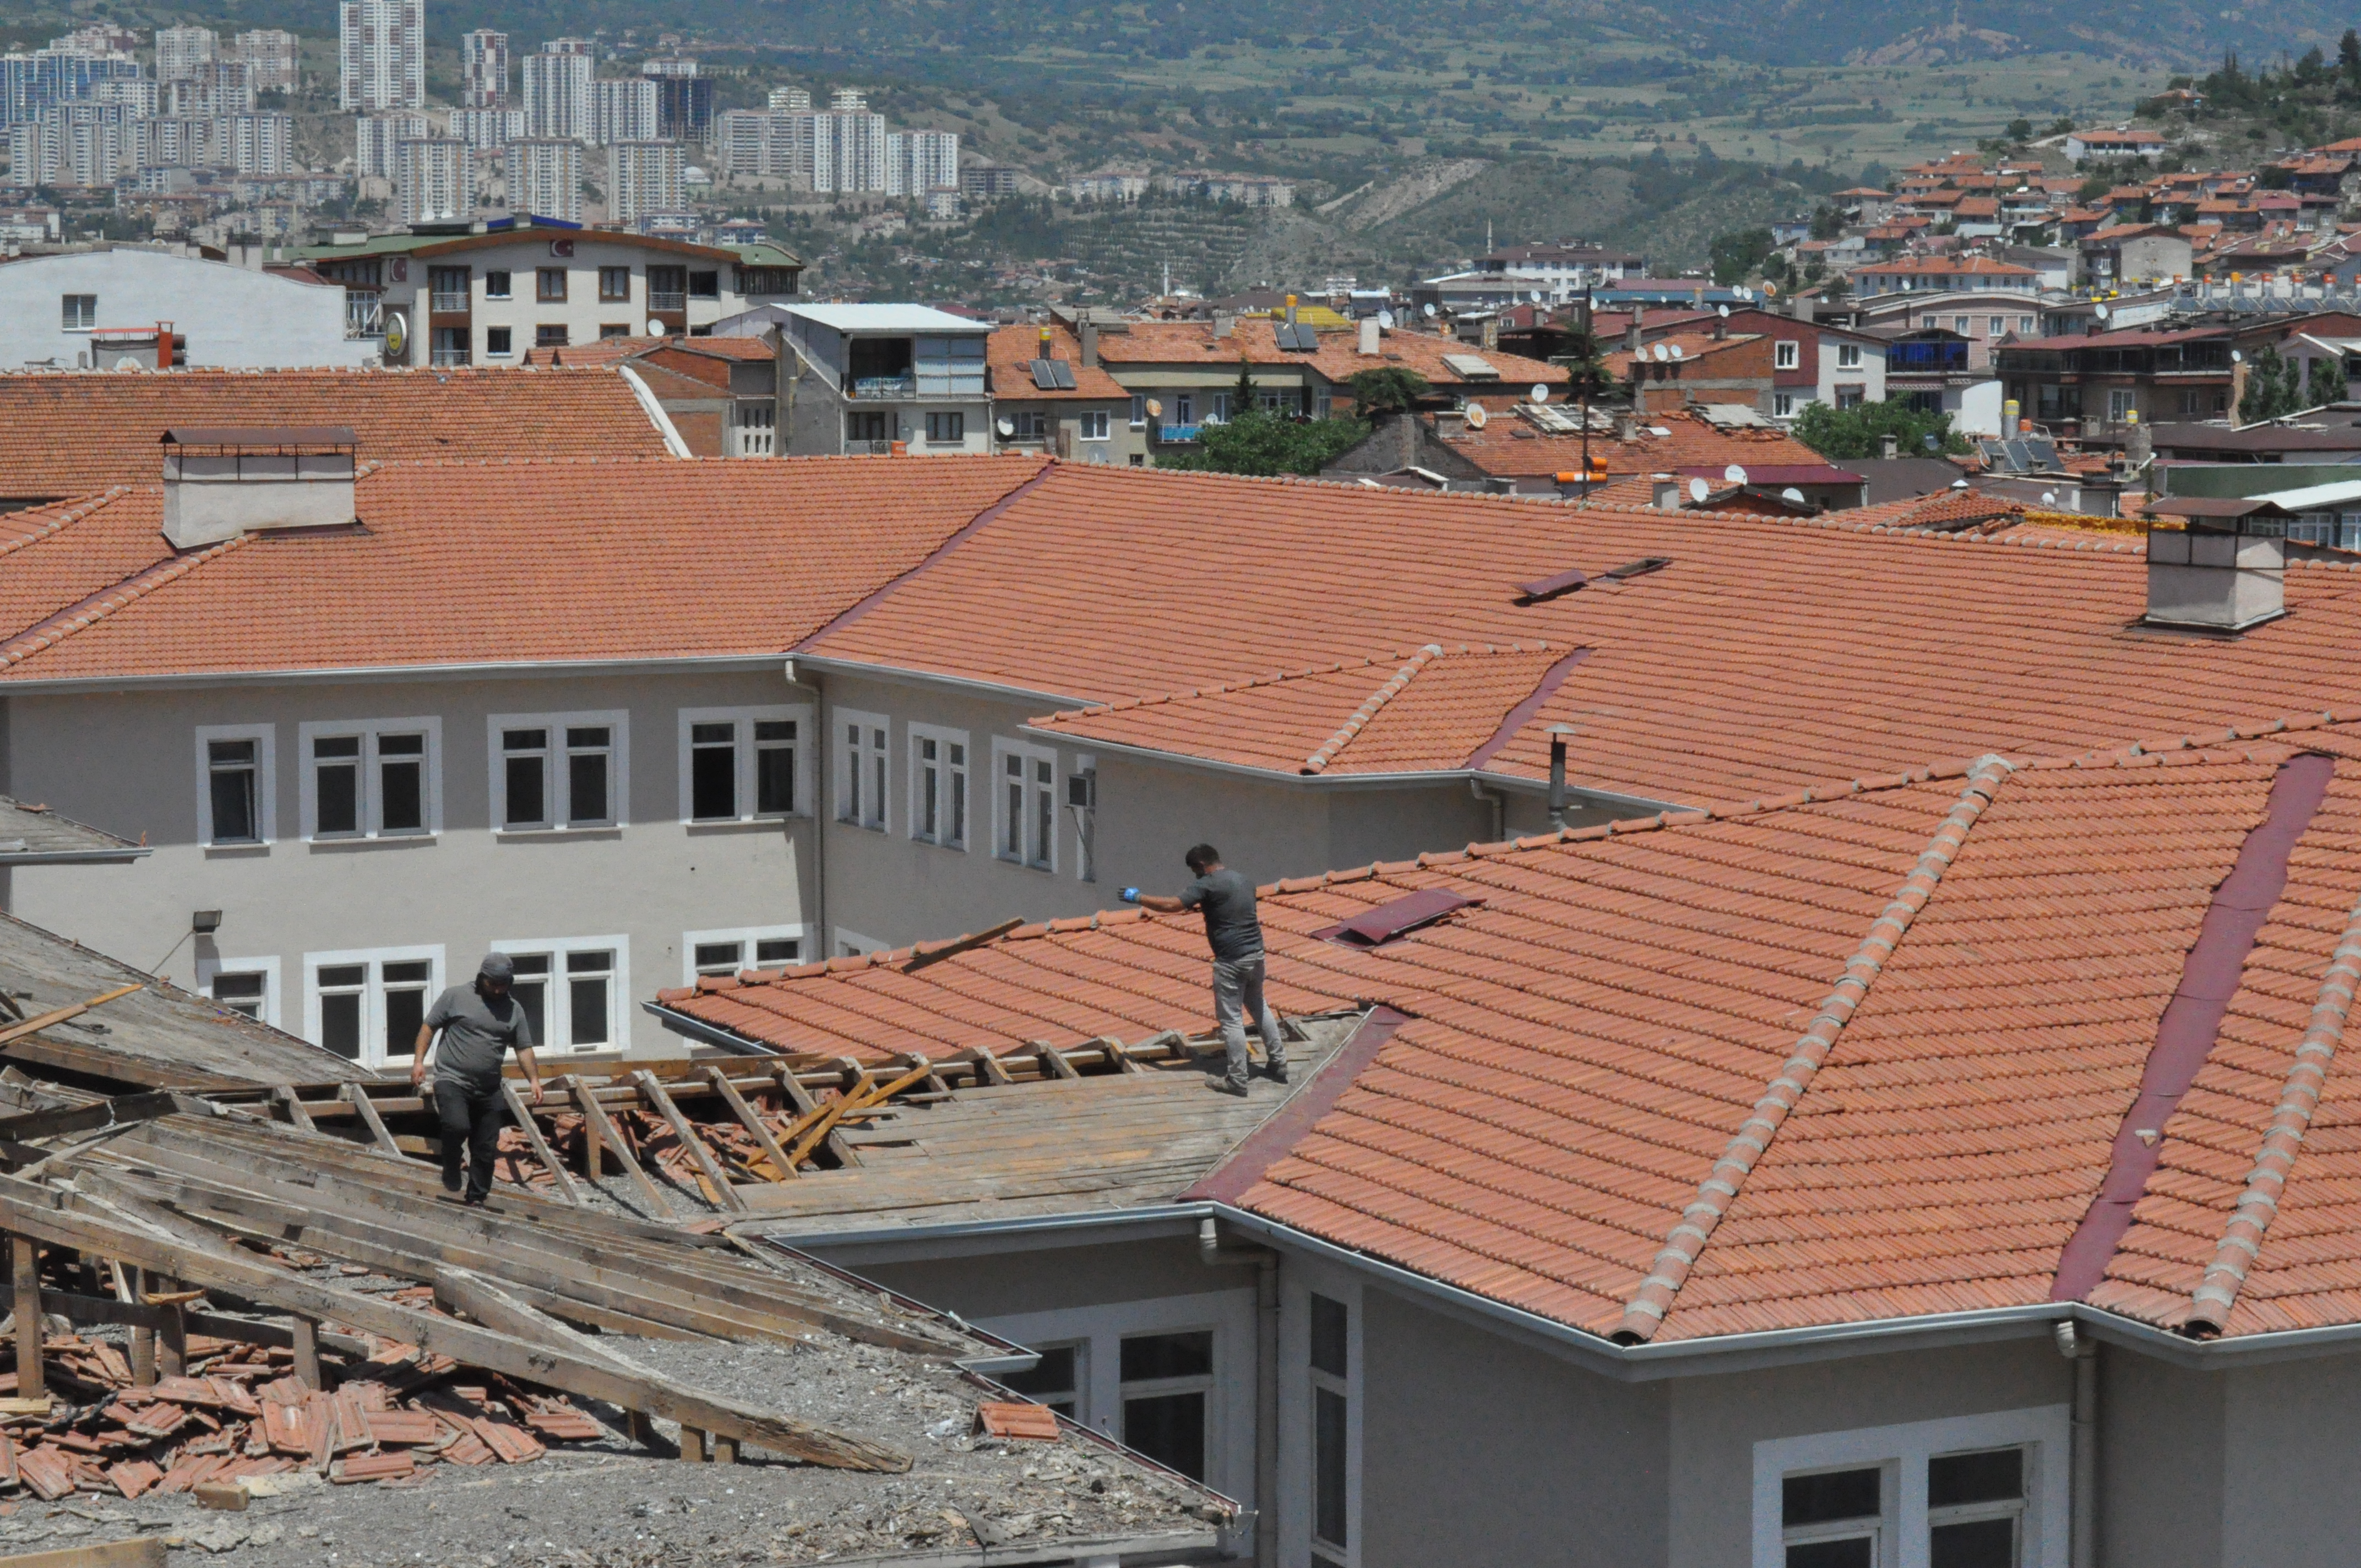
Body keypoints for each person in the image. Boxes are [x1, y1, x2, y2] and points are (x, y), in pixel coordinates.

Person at [1131, 845, 1288, 1096]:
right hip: (1256, 955)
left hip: (1231, 962)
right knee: (1259, 1006)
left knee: (1231, 1020)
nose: (1196, 877)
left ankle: (1237, 1080)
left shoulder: (1208, 884)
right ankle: (1279, 1063)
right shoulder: (1244, 880)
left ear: (1202, 866)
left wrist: (1138, 898)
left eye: (1196, 871)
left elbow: (1173, 905)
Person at [410, 953, 542, 1204]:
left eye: (503, 984)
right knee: (457, 1126)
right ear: (482, 978)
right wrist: (419, 1062)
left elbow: (523, 1048)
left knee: (486, 1146)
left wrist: (534, 1080)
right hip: (452, 1079)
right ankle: (451, 1162)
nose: (498, 989)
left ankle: (477, 1198)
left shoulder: (514, 1010)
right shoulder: (455, 997)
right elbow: (429, 1027)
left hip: (490, 1087)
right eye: (493, 983)